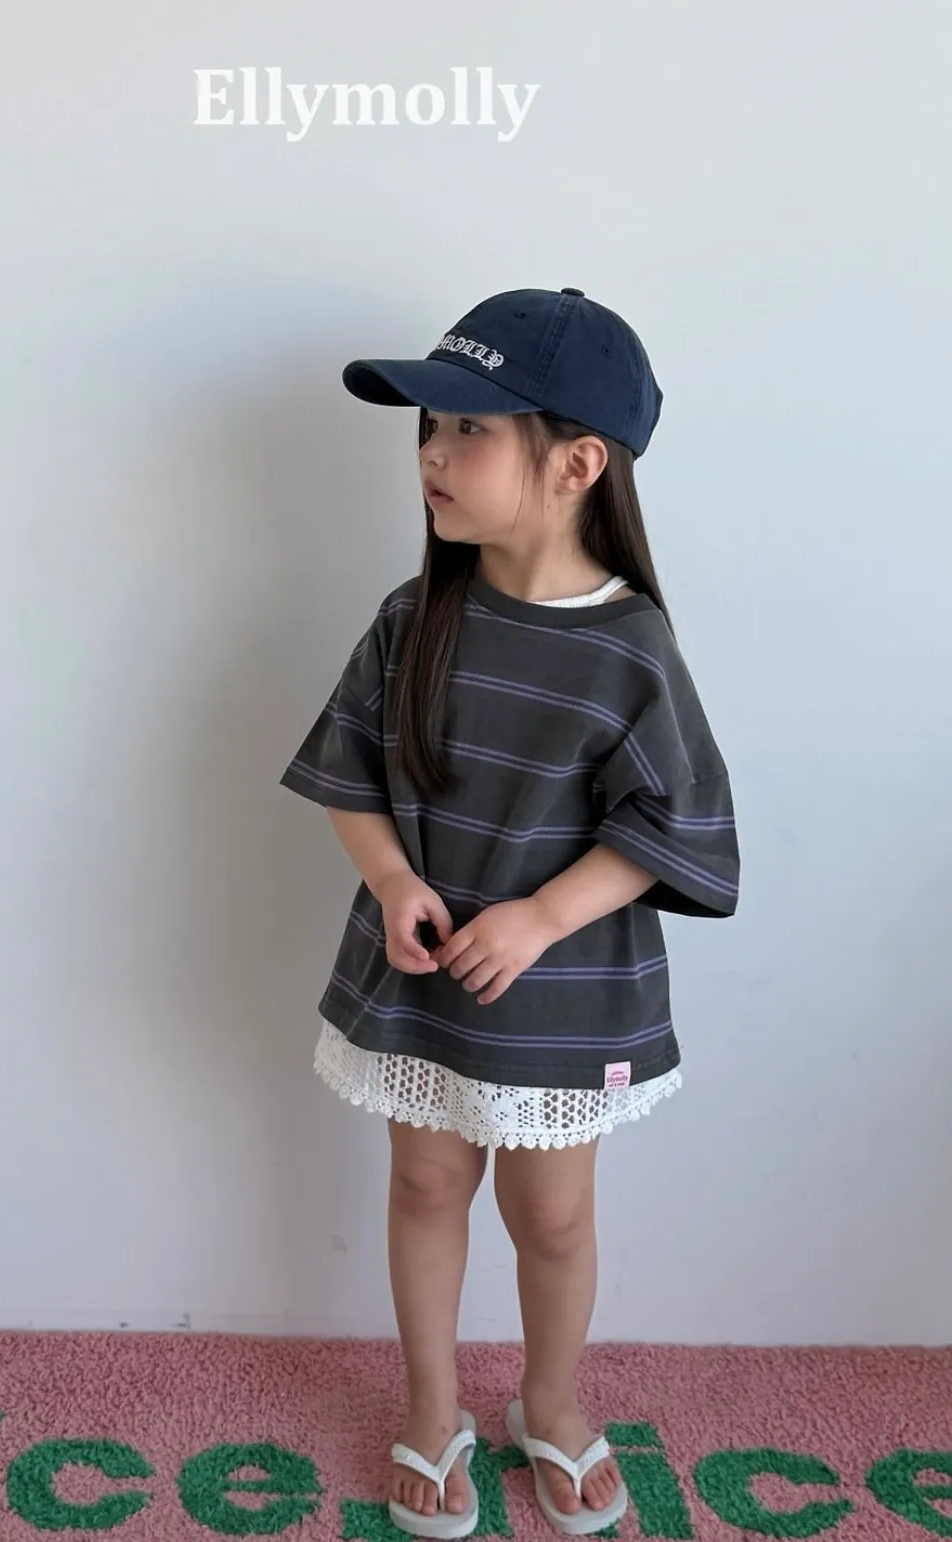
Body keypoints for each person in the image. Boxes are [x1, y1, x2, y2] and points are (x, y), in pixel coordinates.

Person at [279, 286, 740, 1538]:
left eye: (469, 430)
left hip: (562, 999)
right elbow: (349, 777)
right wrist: (393, 881)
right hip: (421, 981)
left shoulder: (630, 647)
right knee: (426, 1182)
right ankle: (432, 1410)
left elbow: (672, 823)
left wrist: (541, 917)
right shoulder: (412, 616)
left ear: (577, 464)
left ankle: (552, 1401)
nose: (432, 454)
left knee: (553, 1213)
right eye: (428, 429)